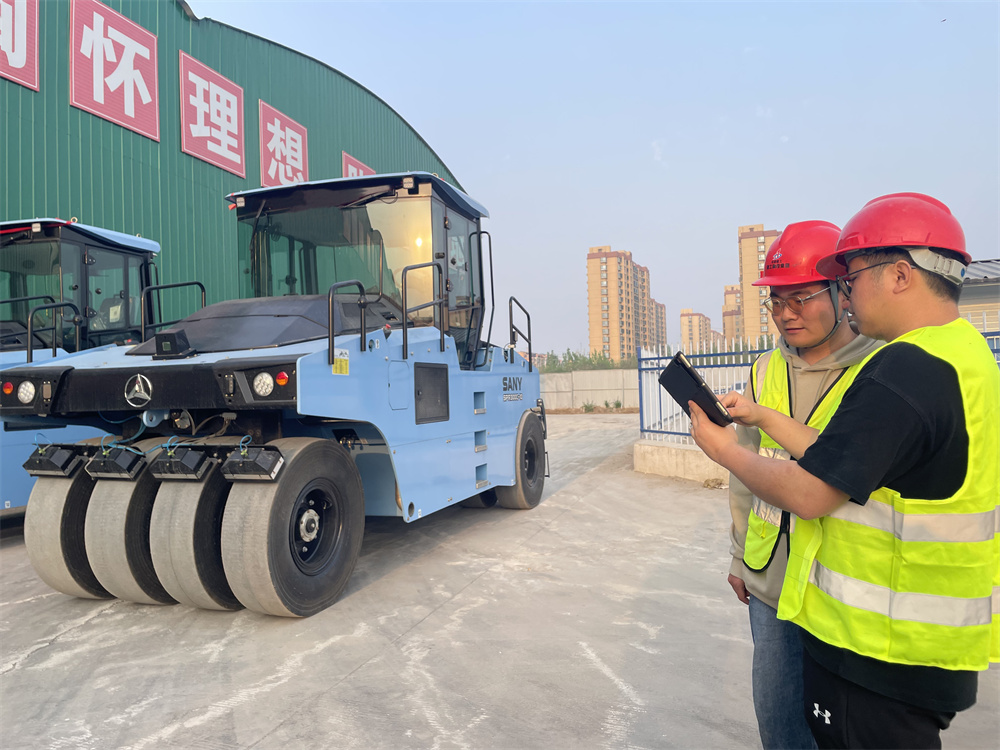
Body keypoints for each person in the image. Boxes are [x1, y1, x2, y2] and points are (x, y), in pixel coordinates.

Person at [690, 192, 999, 749]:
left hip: (881, 642)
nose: (850, 293)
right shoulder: (962, 352)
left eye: (851, 279)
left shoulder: (904, 367)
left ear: (900, 275)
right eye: (776, 300)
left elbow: (812, 492)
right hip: (895, 632)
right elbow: (841, 454)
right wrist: (763, 418)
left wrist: (725, 451)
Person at [727, 221, 882, 749]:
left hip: (842, 588)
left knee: (846, 732)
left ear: (842, 291)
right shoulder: (764, 370)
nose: (786, 313)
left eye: (801, 297)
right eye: (776, 301)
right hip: (771, 583)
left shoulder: (878, 370)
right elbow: (745, 472)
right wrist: (738, 557)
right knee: (780, 725)